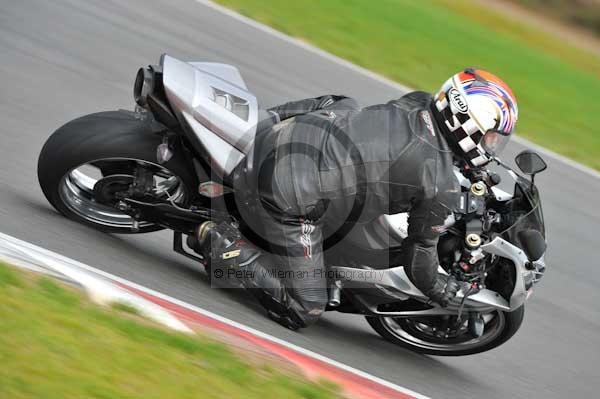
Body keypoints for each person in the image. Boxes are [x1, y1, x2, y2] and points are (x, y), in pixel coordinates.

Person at [200, 68, 519, 330]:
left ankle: (266, 119)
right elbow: (418, 255)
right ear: (466, 123)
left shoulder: (418, 104)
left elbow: (421, 151)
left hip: (295, 138)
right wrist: (440, 290)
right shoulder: (440, 186)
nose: (492, 148)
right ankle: (222, 246)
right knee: (306, 307)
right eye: (491, 138)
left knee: (346, 104)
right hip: (288, 193)